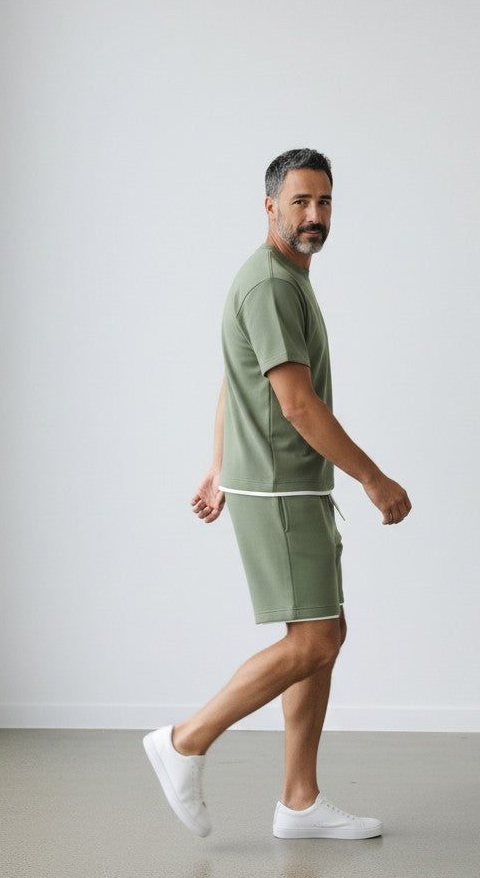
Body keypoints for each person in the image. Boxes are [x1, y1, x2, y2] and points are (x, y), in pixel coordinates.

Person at [143, 148, 411, 839]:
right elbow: (295, 405)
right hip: (281, 488)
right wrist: (373, 478)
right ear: (270, 207)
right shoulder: (268, 283)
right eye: (300, 202)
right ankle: (184, 741)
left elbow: (240, 379)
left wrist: (216, 462)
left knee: (320, 634)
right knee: (319, 638)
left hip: (284, 481)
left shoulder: (286, 278)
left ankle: (299, 800)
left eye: (324, 202)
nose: (315, 215)